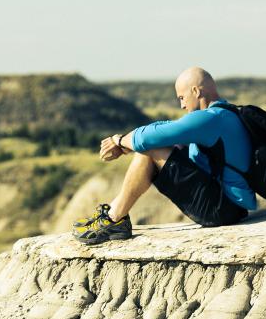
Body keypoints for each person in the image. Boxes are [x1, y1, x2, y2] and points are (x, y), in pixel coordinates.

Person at [72, 66, 256, 245]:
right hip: (232, 206)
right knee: (157, 145)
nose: (182, 105)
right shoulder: (226, 113)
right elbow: (166, 133)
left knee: (150, 150)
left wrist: (119, 141)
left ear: (196, 91)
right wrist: (128, 146)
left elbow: (146, 139)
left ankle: (113, 220)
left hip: (222, 208)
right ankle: (113, 213)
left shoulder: (210, 118)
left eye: (182, 98)